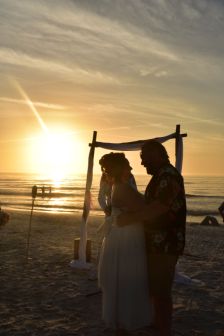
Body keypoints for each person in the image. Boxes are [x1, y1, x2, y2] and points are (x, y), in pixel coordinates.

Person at [117, 140, 186, 336]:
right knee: (156, 288)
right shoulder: (160, 176)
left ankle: (163, 329)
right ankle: (157, 324)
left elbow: (158, 208)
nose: (142, 163)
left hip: (166, 243)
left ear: (157, 155)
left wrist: (130, 219)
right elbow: (150, 204)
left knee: (161, 291)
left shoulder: (168, 176)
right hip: (157, 242)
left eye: (144, 158)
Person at [98, 152, 153, 334]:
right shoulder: (123, 188)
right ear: (120, 168)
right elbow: (146, 209)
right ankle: (126, 322)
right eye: (128, 165)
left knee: (121, 277)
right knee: (128, 277)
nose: (130, 168)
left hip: (121, 235)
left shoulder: (116, 186)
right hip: (127, 236)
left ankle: (122, 322)